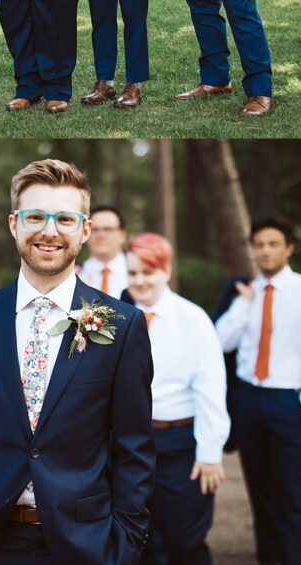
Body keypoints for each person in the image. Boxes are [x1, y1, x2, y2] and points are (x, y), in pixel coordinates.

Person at [0, 158, 154, 564]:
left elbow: (134, 447)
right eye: (35, 216)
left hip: (87, 540)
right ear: (13, 224)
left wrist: (126, 542)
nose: (49, 231)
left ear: (85, 229)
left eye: (65, 219)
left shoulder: (124, 325)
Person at [215, 218, 301, 565]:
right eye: (260, 245)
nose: (265, 251)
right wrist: (244, 305)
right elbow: (221, 341)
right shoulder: (246, 292)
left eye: (273, 244)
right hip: (249, 399)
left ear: (288, 248)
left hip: (288, 400)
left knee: (288, 496)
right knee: (260, 493)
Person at [127, 233, 230, 564]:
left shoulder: (193, 320)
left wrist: (210, 452)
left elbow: (211, 388)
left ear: (166, 271)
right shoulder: (115, 317)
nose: (139, 281)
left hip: (179, 444)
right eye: (132, 273)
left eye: (148, 272)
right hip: (129, 444)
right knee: (141, 540)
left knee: (184, 539)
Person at [79, 204, 129, 298]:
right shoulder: (75, 274)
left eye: (108, 229)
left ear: (122, 235)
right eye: (94, 229)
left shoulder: (138, 274)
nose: (100, 235)